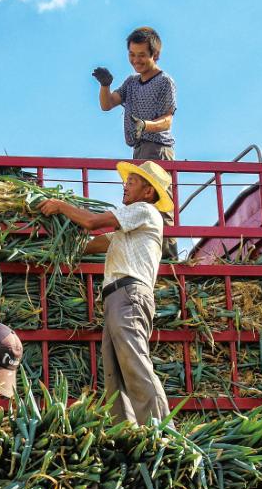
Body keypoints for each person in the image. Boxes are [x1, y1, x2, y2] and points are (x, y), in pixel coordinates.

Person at [37, 160, 172, 425]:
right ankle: (128, 432)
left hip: (129, 295)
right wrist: (51, 239)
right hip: (117, 298)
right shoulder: (127, 230)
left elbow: (91, 222)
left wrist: (61, 206)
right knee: (115, 373)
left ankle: (163, 431)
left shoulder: (144, 210)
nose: (125, 186)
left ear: (148, 191)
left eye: (132, 182)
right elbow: (89, 245)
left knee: (134, 363)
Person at [92, 26, 178, 258]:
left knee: (158, 200)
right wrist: (105, 85)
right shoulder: (131, 83)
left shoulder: (164, 82)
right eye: (132, 54)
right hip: (138, 149)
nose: (136, 60)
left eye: (141, 55)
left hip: (158, 148)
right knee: (139, 203)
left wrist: (145, 125)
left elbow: (167, 120)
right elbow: (107, 104)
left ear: (155, 55)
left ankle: (168, 256)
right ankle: (142, 252)